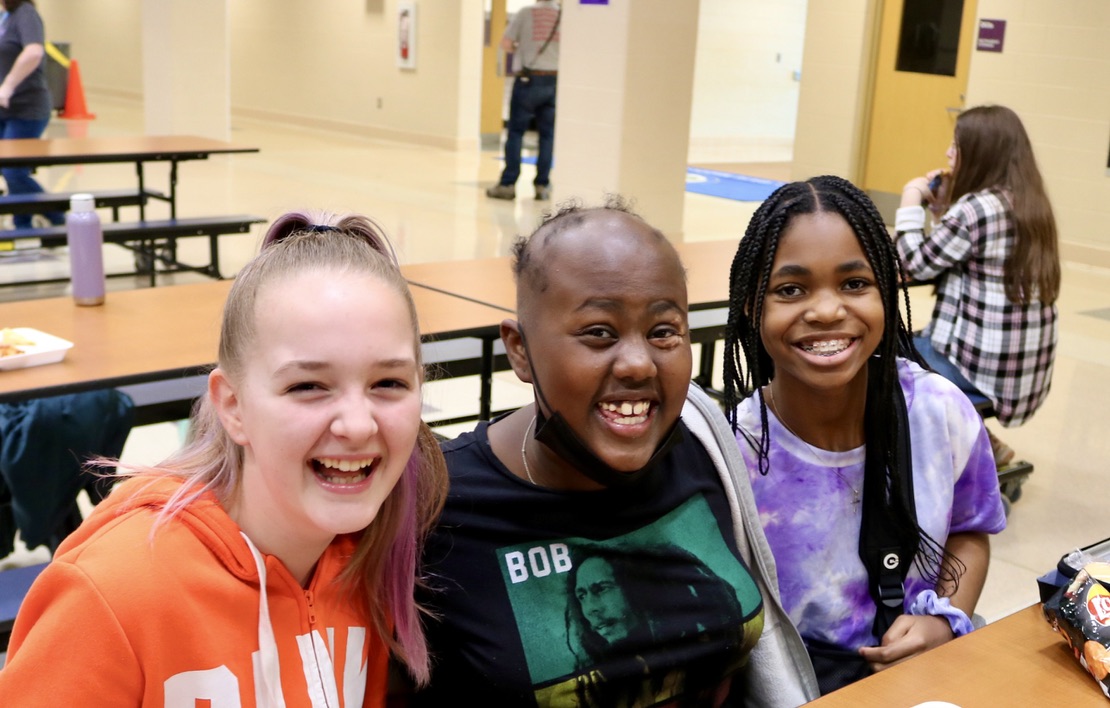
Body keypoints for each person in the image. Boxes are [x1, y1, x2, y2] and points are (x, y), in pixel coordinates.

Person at [0, 212, 449, 706]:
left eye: (389, 383)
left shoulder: (373, 552)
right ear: (232, 405)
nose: (359, 424)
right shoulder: (112, 594)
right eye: (308, 386)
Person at [412, 198, 818, 707]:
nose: (637, 363)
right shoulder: (439, 507)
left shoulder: (705, 449)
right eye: (599, 333)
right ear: (519, 349)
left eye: (663, 331)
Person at [721, 175, 1008, 694]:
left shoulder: (940, 412)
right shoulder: (733, 453)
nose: (828, 311)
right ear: (750, 306)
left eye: (854, 284)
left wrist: (945, 619)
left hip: (917, 681)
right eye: (790, 289)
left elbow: (969, 530)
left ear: (887, 290)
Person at [896, 105, 1060, 467]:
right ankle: (983, 441)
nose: (948, 154)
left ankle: (935, 458)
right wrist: (942, 212)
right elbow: (964, 257)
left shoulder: (977, 207)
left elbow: (912, 264)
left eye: (956, 145)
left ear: (980, 151)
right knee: (909, 339)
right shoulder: (1030, 203)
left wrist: (910, 200)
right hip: (1020, 373)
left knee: (880, 355)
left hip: (979, 368)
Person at [485, 0, 559, 202]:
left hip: (528, 79)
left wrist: (523, 46)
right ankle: (542, 185)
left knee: (516, 132)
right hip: (554, 80)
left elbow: (506, 44)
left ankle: (508, 184)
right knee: (547, 135)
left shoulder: (526, 13)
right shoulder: (562, 16)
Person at [0, 0, 64, 229]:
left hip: (26, 108)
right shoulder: (4, 17)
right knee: (7, 169)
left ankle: (58, 217)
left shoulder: (25, 14)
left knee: (13, 170)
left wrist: (8, 85)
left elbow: (34, 51)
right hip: (3, 110)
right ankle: (22, 223)